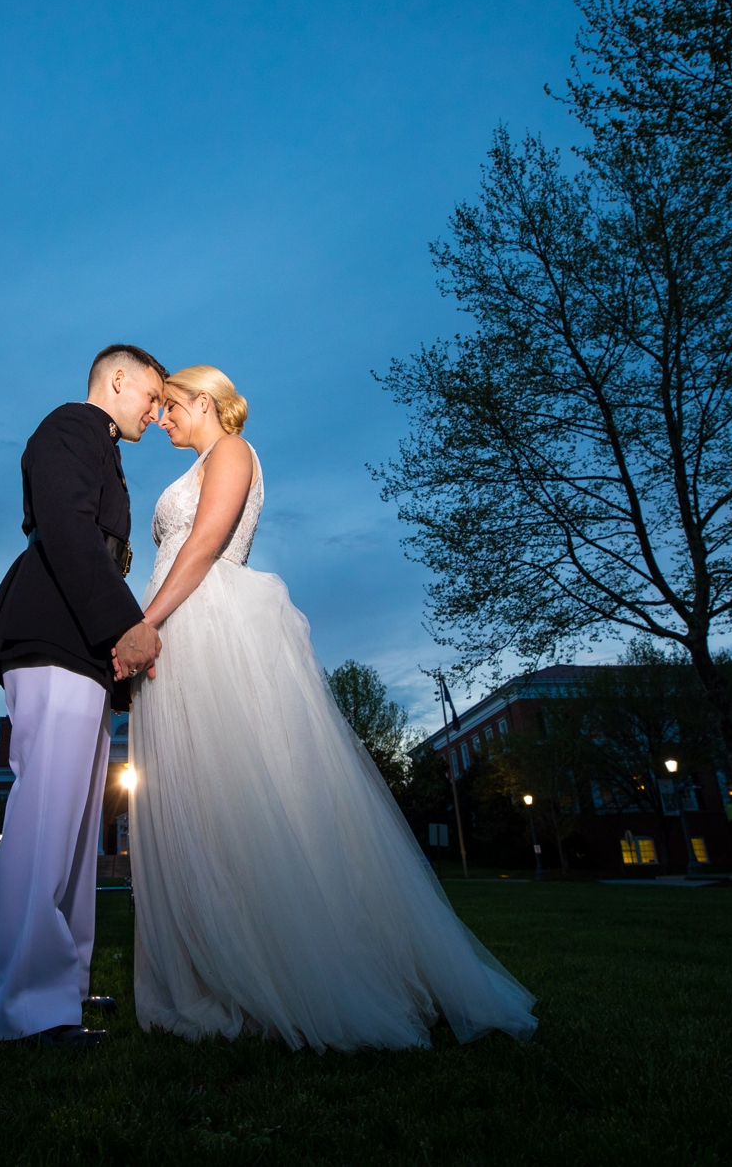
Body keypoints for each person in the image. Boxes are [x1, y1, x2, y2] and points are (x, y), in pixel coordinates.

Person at [128, 364, 539, 1052]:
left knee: (237, 793)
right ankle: (215, 968)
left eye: (170, 406)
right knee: (200, 799)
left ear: (204, 401)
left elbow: (203, 546)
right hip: (184, 627)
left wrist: (152, 622)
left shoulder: (231, 452)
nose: (162, 418)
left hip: (204, 622)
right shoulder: (205, 457)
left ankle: (282, 971)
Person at [0, 344, 168, 1049]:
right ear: (117, 380)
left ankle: (65, 989)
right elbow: (65, 527)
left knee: (80, 833)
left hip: (81, 646)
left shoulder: (101, 445)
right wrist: (124, 624)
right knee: (45, 820)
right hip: (54, 632)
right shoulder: (68, 427)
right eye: (150, 394)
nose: (156, 408)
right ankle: (26, 1009)